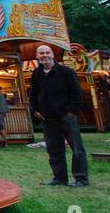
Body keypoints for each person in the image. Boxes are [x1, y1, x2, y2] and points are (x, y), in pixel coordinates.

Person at [30, 44, 89, 187]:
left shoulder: (66, 72)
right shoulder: (37, 74)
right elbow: (33, 94)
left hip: (66, 116)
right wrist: (36, 109)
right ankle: (59, 177)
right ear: (37, 56)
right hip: (48, 118)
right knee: (54, 149)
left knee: (76, 148)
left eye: (47, 52)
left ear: (52, 55)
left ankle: (81, 179)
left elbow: (76, 93)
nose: (44, 55)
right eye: (41, 53)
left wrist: (71, 112)